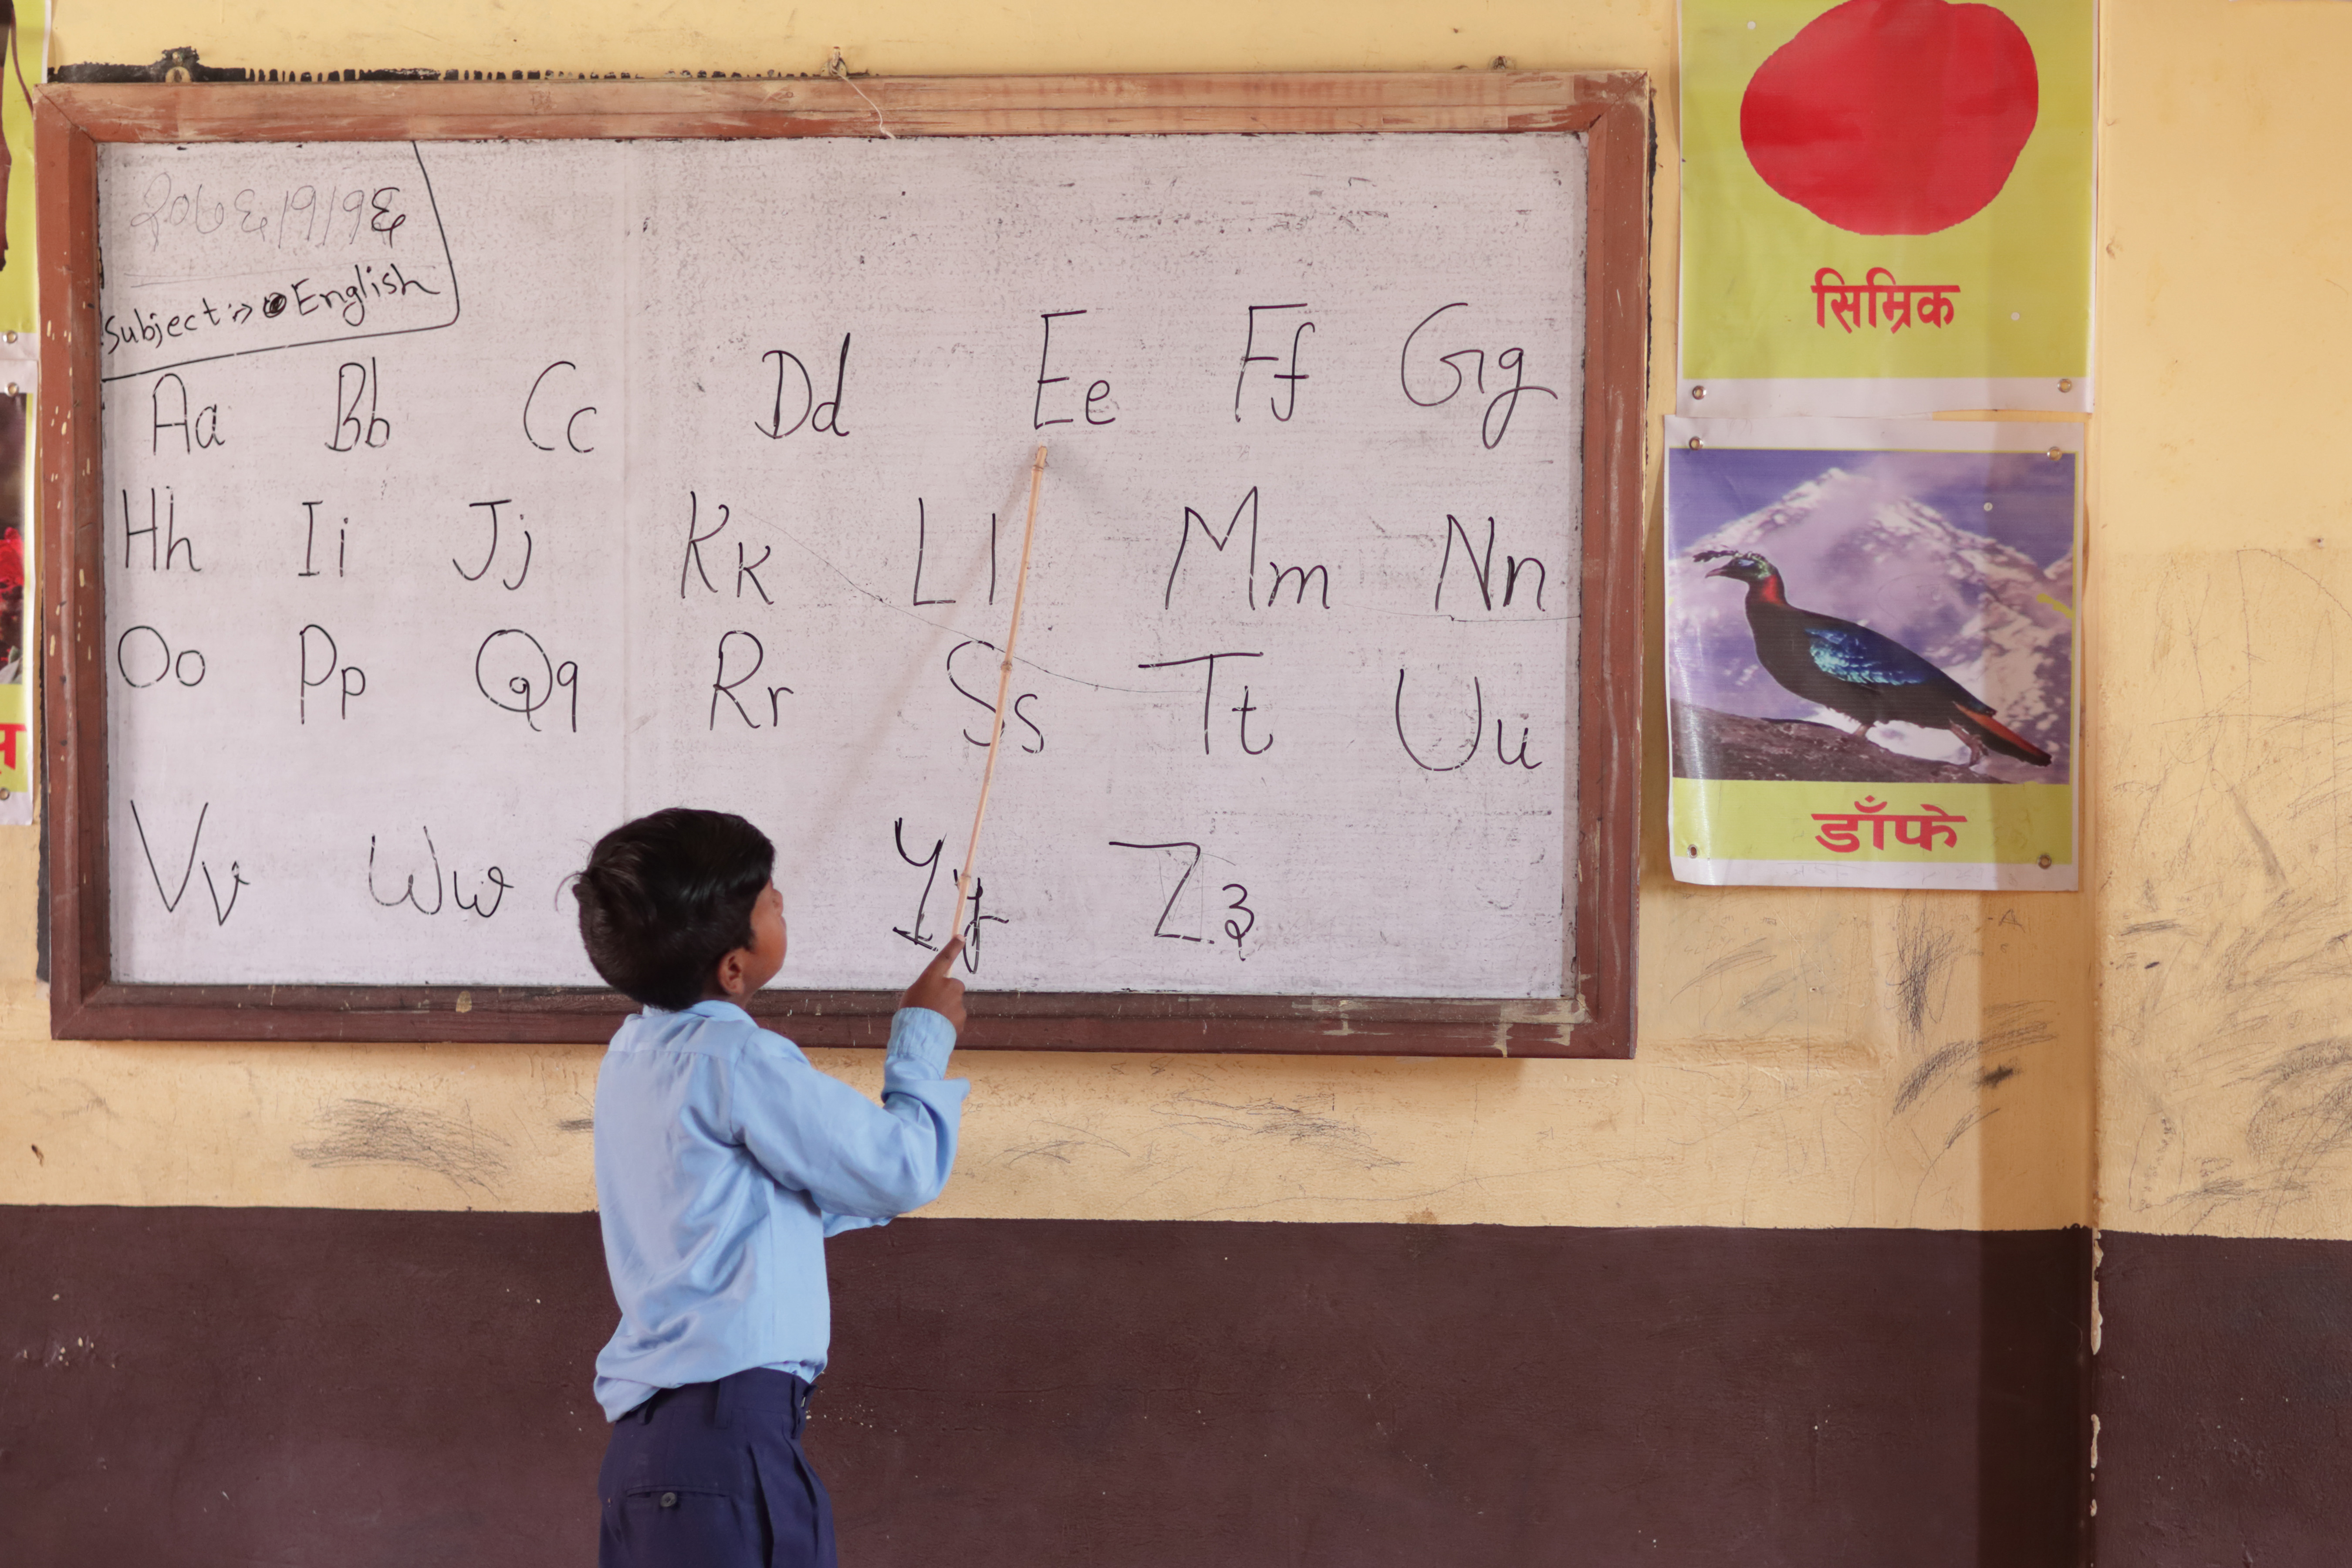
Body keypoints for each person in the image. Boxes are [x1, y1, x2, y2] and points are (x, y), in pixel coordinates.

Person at [572, 807, 970, 1568]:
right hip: (728, 1448)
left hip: (651, 1459)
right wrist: (923, 1038)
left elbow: (748, 1205)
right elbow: (900, 1168)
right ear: (733, 968)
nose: (780, 898)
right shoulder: (737, 1058)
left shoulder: (634, 1056)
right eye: (765, 898)